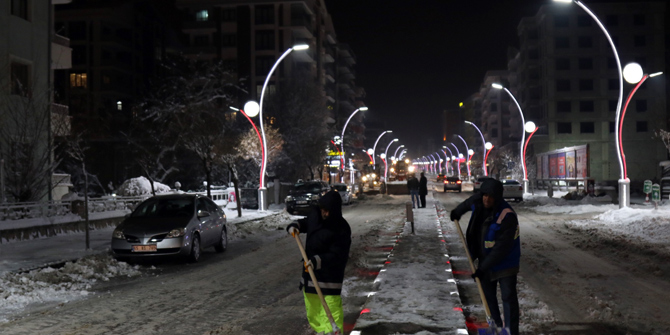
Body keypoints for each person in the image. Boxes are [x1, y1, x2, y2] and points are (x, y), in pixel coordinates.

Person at [449, 179, 520, 335]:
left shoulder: (507, 216)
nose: (487, 199)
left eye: (491, 196)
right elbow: (467, 203)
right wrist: (457, 212)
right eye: (485, 195)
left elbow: (501, 249)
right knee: (488, 297)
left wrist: (482, 268)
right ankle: (496, 328)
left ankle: (511, 332)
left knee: (508, 298)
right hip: (485, 261)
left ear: (498, 198)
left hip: (506, 263)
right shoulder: (479, 201)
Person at [286, 190, 352, 334]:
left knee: (332, 312)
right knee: (314, 312)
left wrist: (317, 261)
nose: (325, 214)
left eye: (328, 211)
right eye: (323, 210)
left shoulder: (341, 228)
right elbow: (306, 223)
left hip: (329, 280)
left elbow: (338, 255)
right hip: (310, 276)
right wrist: (296, 225)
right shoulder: (315, 215)